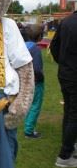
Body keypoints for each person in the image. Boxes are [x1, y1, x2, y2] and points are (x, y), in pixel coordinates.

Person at [50, 10, 77, 167]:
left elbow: (54, 46)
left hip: (65, 74)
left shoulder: (65, 21)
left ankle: (69, 145)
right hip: (72, 74)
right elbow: (54, 47)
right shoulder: (67, 21)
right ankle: (65, 156)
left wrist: (64, 63)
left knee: (69, 112)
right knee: (74, 114)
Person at [22, 24, 45, 139]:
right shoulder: (35, 49)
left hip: (24, 81)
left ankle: (27, 126)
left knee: (29, 105)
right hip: (35, 82)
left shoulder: (23, 46)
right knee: (35, 105)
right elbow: (37, 69)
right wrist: (41, 77)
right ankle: (29, 131)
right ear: (39, 36)